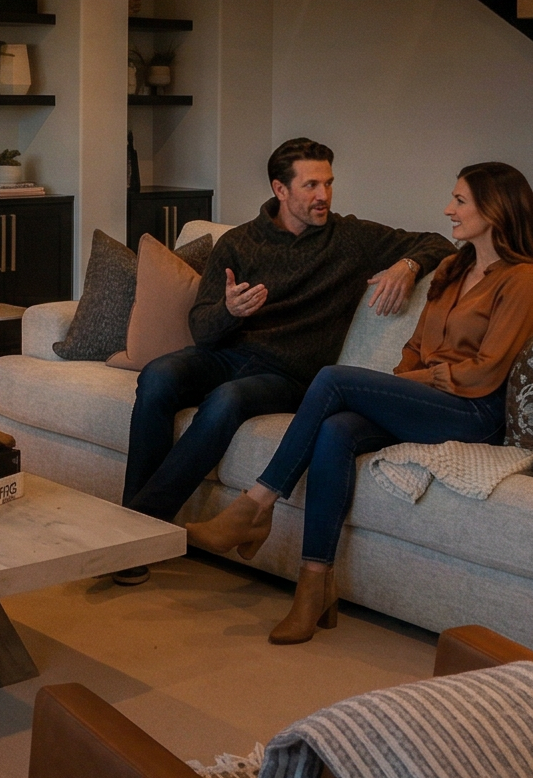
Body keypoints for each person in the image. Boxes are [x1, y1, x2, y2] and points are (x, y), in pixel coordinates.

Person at [184, 161, 533, 644]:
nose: (449, 209)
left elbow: (486, 373)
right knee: (336, 430)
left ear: (495, 209)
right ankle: (314, 586)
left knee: (332, 379)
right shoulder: (452, 268)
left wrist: (414, 383)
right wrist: (404, 385)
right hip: (430, 399)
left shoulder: (524, 281)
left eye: (460, 200)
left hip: (475, 412)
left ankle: (257, 504)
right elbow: (415, 346)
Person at [114, 138, 456, 582]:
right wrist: (229, 311)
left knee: (226, 400)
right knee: (158, 375)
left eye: (328, 183)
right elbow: (202, 329)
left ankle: (135, 532)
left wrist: (407, 266)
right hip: (225, 354)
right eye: (311, 185)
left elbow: (437, 242)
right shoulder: (238, 243)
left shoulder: (350, 238)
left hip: (285, 375)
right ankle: (134, 529)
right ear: (280, 189)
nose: (324, 195)